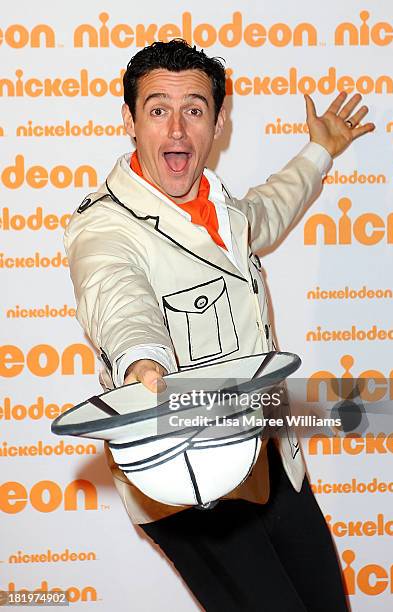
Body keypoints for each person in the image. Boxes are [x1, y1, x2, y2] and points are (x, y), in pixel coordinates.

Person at [64, 39, 375, 611]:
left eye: (195, 110)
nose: (177, 131)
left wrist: (319, 151)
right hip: (186, 482)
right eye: (157, 110)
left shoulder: (221, 208)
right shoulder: (104, 228)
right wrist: (142, 364)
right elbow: (117, 298)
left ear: (219, 121)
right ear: (130, 120)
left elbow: (267, 210)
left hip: (269, 456)